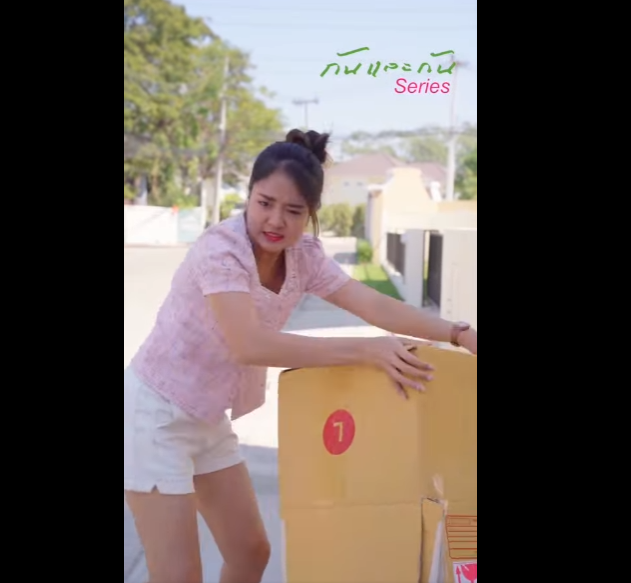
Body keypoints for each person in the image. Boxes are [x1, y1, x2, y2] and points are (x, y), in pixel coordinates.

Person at [124, 128, 477, 583]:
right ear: (249, 195)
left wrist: (457, 332)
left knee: (250, 553)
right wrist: (365, 350)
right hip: (155, 416)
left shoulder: (304, 256)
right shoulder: (221, 249)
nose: (275, 220)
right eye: (264, 203)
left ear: (310, 214)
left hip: (207, 418)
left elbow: (372, 304)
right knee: (177, 575)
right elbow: (249, 344)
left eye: (293, 211)